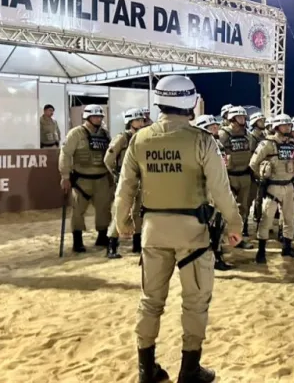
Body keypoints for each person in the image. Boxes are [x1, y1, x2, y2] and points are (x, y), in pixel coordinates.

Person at [115, 75, 242, 383]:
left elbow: (125, 186)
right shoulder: (202, 140)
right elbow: (220, 189)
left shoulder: (140, 139)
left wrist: (122, 220)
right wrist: (235, 223)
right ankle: (189, 370)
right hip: (192, 235)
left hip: (153, 232)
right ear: (190, 102)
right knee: (195, 303)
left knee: (150, 301)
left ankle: (146, 368)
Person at [59, 104, 113, 252]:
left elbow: (110, 156)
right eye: (95, 116)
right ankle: (78, 241)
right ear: (87, 117)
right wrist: (65, 176)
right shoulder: (76, 133)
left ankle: (102, 237)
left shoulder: (105, 134)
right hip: (81, 180)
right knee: (78, 211)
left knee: (103, 209)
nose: (98, 119)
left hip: (101, 178)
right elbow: (65, 154)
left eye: (100, 116)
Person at [250, 114, 294, 263]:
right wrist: (261, 179)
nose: (288, 128)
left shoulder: (291, 144)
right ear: (276, 127)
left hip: (288, 185)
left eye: (289, 125)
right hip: (273, 187)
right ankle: (261, 251)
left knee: (289, 219)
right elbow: (253, 163)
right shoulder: (267, 144)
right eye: (284, 125)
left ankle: (287, 247)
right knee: (266, 220)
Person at [105, 108, 147, 259]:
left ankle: (137, 243)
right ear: (129, 122)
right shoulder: (122, 138)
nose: (141, 123)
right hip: (126, 179)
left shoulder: (144, 137)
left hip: (142, 178)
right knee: (120, 212)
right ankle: (111, 245)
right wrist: (117, 174)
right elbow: (108, 159)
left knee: (138, 212)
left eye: (142, 120)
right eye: (137, 120)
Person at [196, 114, 235, 271]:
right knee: (205, 224)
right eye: (211, 127)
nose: (215, 128)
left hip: (218, 187)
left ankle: (217, 255)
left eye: (215, 126)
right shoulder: (198, 145)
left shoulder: (217, 144)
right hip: (205, 190)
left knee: (219, 223)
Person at [218, 106, 255, 250]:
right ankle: (218, 240)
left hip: (244, 175)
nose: (243, 120)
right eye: (240, 117)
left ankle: (237, 239)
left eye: (244, 117)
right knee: (224, 210)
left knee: (242, 210)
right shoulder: (223, 134)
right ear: (232, 119)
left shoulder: (247, 135)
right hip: (229, 177)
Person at [247, 112, 268, 231]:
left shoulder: (263, 136)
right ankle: (256, 218)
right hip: (255, 171)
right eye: (261, 121)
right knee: (256, 198)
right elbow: (251, 155)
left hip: (263, 170)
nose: (263, 123)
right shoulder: (252, 137)